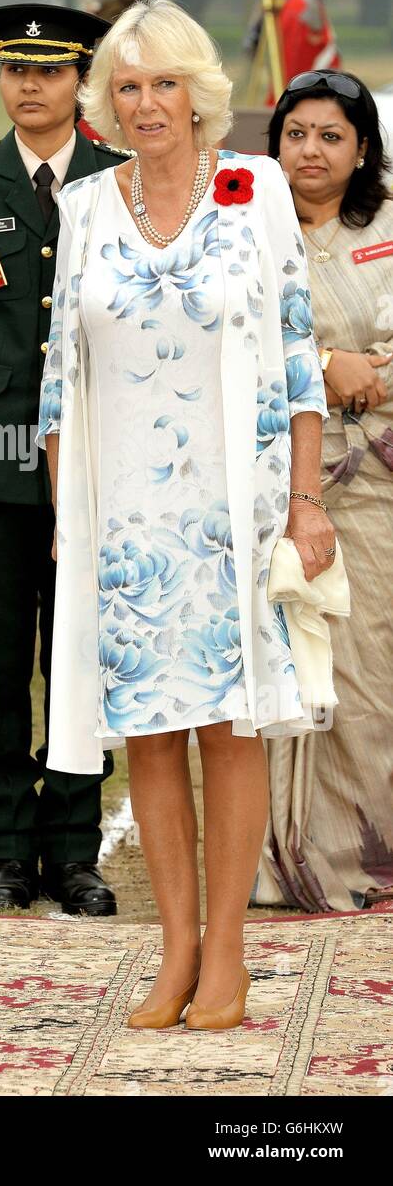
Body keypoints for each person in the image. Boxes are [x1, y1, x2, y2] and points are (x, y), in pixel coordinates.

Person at [38, 0, 334, 1030]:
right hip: (121, 517)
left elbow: (298, 360)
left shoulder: (252, 196)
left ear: (198, 94)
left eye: (164, 82)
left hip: (236, 509)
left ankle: (228, 955)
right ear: (107, 105)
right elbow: (54, 384)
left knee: (228, 724)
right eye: (126, 86)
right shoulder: (79, 207)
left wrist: (303, 500)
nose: (146, 102)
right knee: (150, 733)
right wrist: (65, 524)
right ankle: (172, 951)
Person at [0, 4, 126, 914]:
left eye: (49, 71)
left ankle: (74, 851)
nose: (30, 86)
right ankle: (4, 849)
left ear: (81, 80)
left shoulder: (120, 180)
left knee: (81, 657)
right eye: (15, 70)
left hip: (98, 455)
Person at [256, 68, 393, 911]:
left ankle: (365, 855)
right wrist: (320, 365)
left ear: (362, 149)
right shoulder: (244, 226)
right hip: (275, 479)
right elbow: (223, 339)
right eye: (296, 133)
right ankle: (282, 858)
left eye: (330, 136)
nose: (311, 150)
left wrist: (370, 376)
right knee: (286, 668)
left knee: (367, 670)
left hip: (374, 482)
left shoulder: (386, 229)